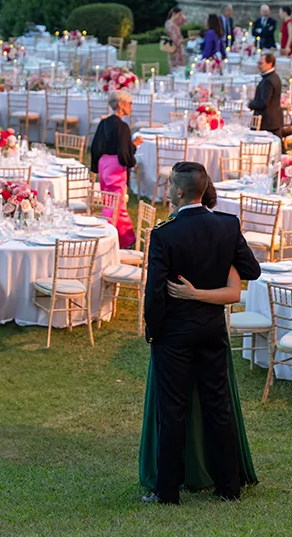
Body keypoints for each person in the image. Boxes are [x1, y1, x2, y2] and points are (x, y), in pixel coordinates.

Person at [141, 161, 261, 505]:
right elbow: (251, 268)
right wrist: (220, 259)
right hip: (211, 331)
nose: (165, 191)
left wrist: (154, 331)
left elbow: (155, 294)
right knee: (217, 406)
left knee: (172, 411)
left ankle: (166, 493)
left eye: (168, 186)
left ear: (179, 192)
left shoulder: (164, 234)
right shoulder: (227, 225)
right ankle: (228, 488)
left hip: (174, 336)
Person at [90, 90, 143, 249]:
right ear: (121, 105)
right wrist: (131, 156)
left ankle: (122, 238)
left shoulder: (104, 123)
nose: (131, 107)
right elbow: (123, 153)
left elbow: (95, 147)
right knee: (116, 204)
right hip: (115, 167)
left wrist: (132, 146)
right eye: (129, 103)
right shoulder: (123, 126)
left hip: (103, 164)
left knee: (109, 199)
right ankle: (111, 235)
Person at [247, 52, 283, 138]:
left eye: (261, 63)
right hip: (273, 121)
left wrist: (250, 104)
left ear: (270, 64)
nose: (258, 66)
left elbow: (264, 102)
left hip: (267, 123)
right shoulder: (275, 77)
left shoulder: (268, 81)